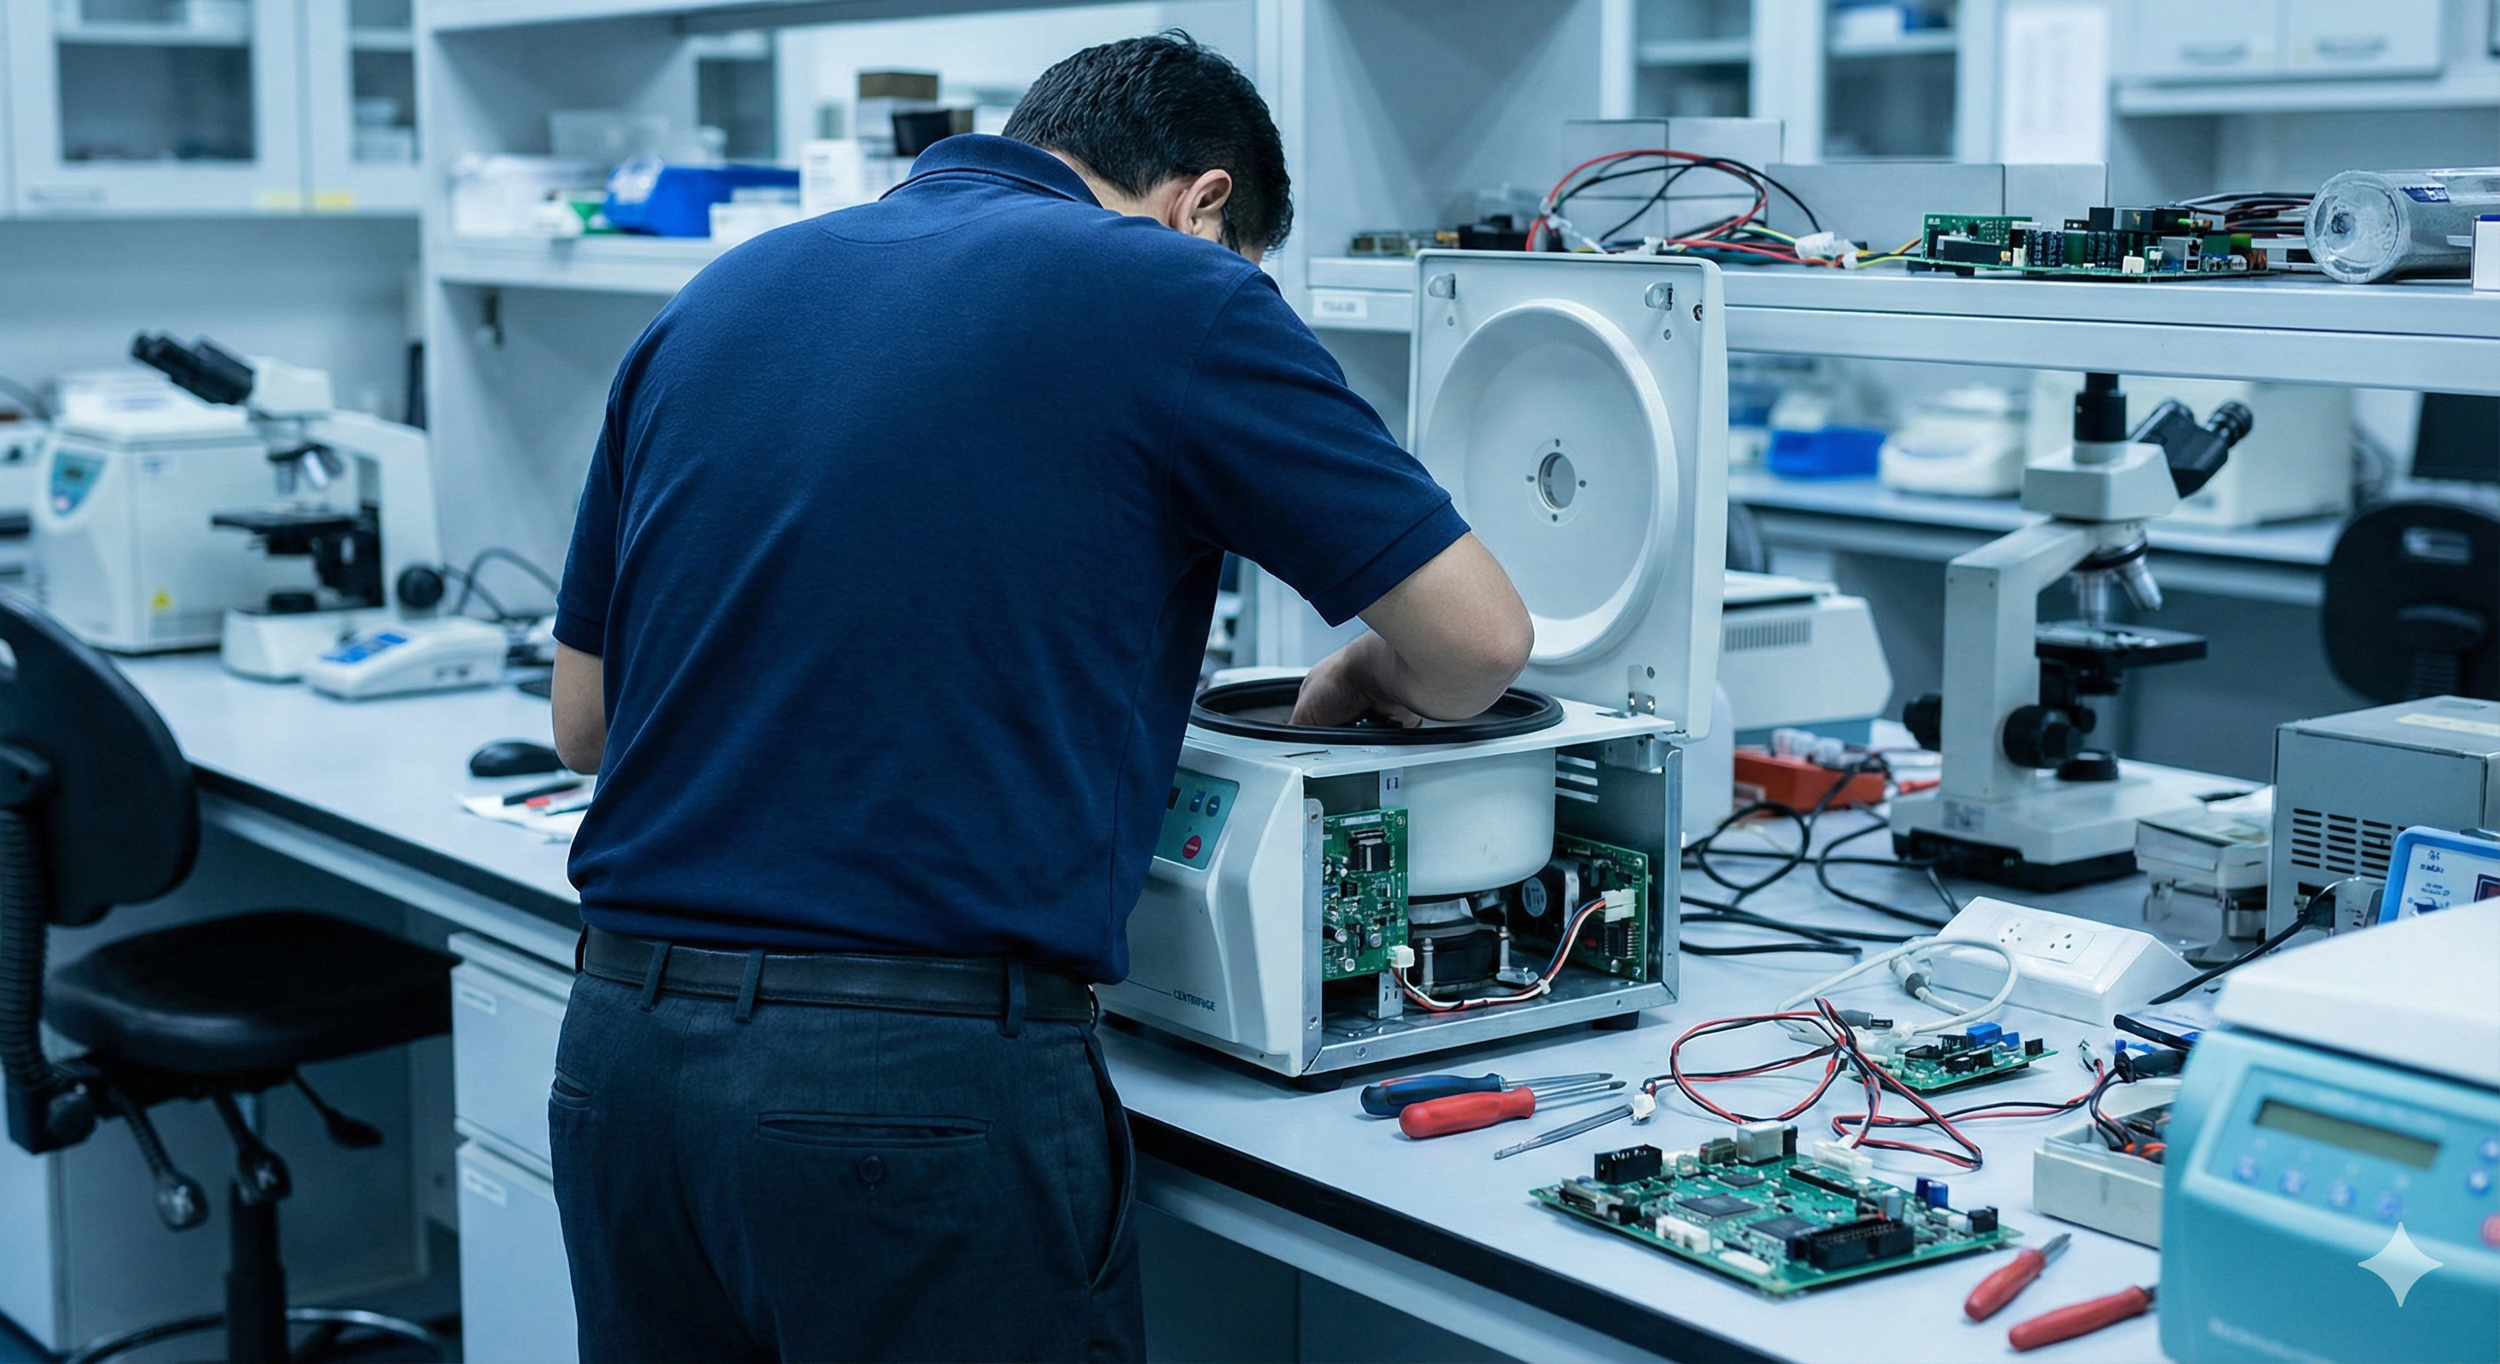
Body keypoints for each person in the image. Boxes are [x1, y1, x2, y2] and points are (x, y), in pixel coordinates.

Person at [544, 30, 1531, 1363]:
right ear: (1207, 203)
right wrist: (1368, 664)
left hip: (622, 1064)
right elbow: (1478, 646)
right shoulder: (1180, 294)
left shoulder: (718, 295)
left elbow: (587, 727)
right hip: (909, 1091)